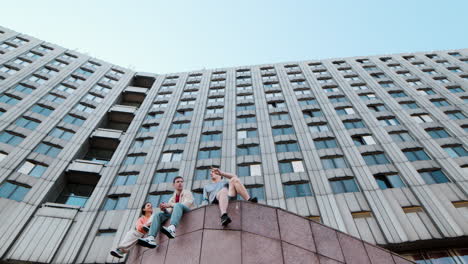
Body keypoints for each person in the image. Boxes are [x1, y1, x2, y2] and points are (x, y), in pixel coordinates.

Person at [138, 176, 195, 248]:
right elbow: (169, 212)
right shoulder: (172, 198)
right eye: (178, 182)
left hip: (189, 212)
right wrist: (164, 209)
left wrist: (170, 205)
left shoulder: (187, 192)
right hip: (176, 214)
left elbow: (187, 204)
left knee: (177, 205)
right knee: (158, 214)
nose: (180, 183)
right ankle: (151, 238)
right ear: (173, 185)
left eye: (181, 181)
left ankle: (172, 229)